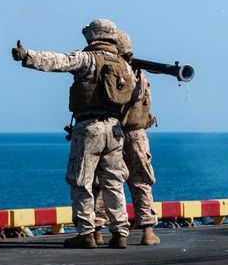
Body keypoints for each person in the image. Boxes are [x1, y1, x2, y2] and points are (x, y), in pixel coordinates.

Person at [11, 19, 133, 249]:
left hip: (89, 128)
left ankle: (86, 233)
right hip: (115, 129)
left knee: (81, 181)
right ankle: (120, 233)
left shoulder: (87, 59)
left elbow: (58, 61)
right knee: (114, 183)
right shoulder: (125, 66)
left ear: (94, 35)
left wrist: (27, 56)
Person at [114, 30, 161, 245]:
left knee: (103, 182)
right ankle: (148, 231)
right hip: (136, 133)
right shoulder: (140, 75)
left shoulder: (108, 72)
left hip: (111, 131)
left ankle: (97, 230)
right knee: (141, 180)